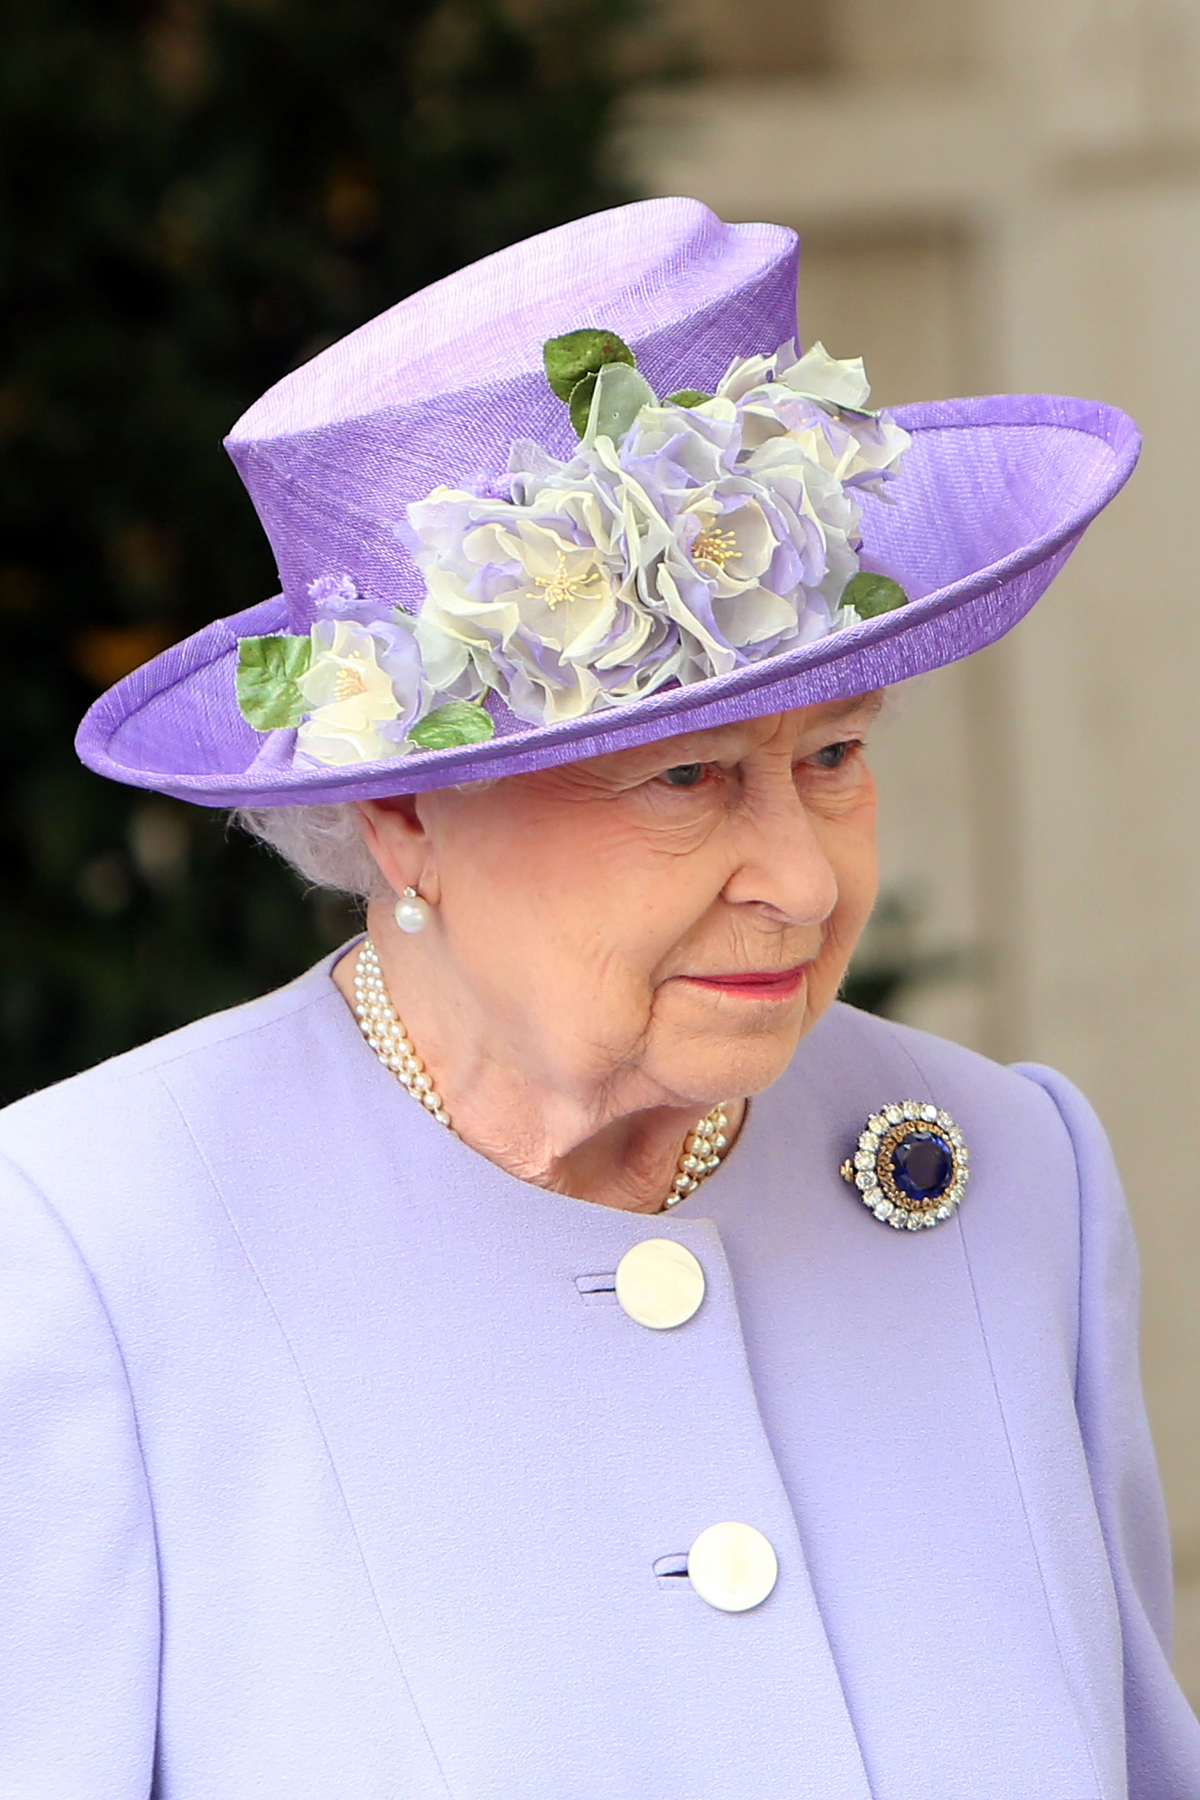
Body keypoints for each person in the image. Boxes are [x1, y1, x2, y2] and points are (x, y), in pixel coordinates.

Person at [2, 196, 1196, 1799]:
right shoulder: (89, 1246)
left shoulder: (1011, 1174)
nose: (808, 877)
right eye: (689, 778)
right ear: (406, 817)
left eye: (834, 756)